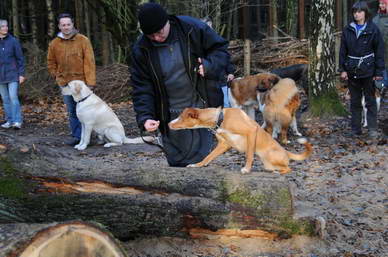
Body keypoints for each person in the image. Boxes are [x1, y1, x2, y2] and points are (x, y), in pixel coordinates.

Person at [130, 3, 230, 167]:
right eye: (150, 35)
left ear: (166, 21)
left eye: (159, 32)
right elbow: (141, 87)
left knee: (199, 159)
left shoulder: (193, 28)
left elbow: (220, 50)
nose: (156, 37)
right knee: (177, 160)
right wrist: (145, 117)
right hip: (168, 112)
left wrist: (210, 65)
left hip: (200, 106)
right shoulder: (141, 49)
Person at [47, 13, 96, 146]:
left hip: (83, 84)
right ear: (59, 26)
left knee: (88, 110)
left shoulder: (83, 40)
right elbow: (51, 62)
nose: (66, 27)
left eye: (68, 24)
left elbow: (90, 62)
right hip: (65, 84)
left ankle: (90, 137)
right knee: (72, 111)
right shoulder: (54, 43)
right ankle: (77, 136)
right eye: (63, 25)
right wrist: (56, 75)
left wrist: (90, 83)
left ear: (72, 25)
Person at [339, 1, 384, 139]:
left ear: (365, 13)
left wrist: (378, 72)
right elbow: (342, 51)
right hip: (352, 70)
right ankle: (356, 129)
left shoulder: (373, 29)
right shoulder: (348, 29)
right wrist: (342, 69)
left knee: (370, 101)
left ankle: (372, 129)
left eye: (359, 11)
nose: (357, 14)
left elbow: (379, 51)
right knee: (355, 102)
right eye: (354, 12)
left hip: (369, 70)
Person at [201, 16, 235, 107]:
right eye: (206, 26)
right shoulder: (198, 42)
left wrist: (230, 72)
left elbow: (226, 57)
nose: (209, 29)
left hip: (221, 80)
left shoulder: (217, 40)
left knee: (226, 105)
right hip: (206, 84)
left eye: (210, 26)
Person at [0, 19, 25, 129]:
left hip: (13, 74)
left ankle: (17, 121)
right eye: (2, 26)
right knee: (5, 99)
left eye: (6, 26)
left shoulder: (13, 41)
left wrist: (21, 74)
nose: (5, 28)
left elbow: (20, 58)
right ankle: (9, 120)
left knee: (13, 97)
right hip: (1, 76)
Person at [373, 0, 388, 87]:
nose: (381, 5)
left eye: (383, 3)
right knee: (382, 72)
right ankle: (383, 91)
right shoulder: (376, 19)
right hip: (380, 51)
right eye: (380, 3)